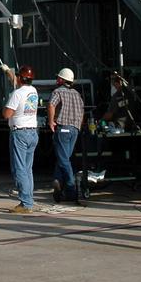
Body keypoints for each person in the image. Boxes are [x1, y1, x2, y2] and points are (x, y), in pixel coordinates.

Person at [1, 64, 39, 214]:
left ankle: (26, 203)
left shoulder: (16, 94)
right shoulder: (33, 91)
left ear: (21, 78)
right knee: (28, 169)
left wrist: (5, 104)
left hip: (20, 133)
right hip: (32, 132)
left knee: (20, 169)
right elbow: (17, 83)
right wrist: (8, 72)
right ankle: (29, 199)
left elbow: (7, 114)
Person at [47, 67, 84, 203]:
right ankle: (57, 180)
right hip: (74, 129)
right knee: (65, 157)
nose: (57, 79)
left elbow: (51, 105)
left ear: (62, 80)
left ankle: (71, 188)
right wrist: (78, 126)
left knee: (63, 160)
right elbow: (82, 110)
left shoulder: (58, 91)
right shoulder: (77, 94)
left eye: (58, 78)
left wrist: (51, 121)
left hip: (63, 129)